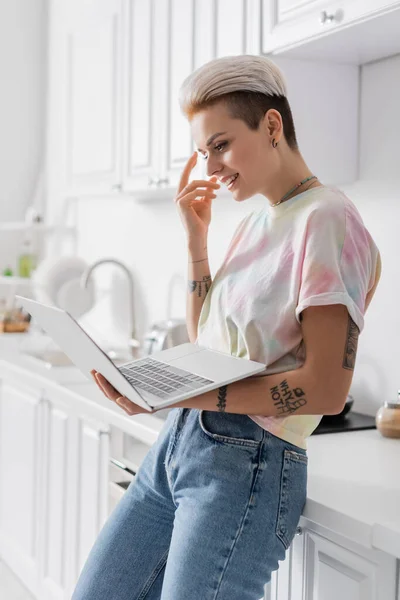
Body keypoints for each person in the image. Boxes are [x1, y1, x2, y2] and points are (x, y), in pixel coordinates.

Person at [72, 55, 382, 600]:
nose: (211, 167)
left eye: (220, 145)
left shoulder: (327, 219)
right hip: (178, 448)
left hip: (249, 462)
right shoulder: (257, 221)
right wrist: (197, 241)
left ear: (270, 125)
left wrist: (185, 396)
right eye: (203, 152)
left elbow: (328, 390)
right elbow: (207, 345)